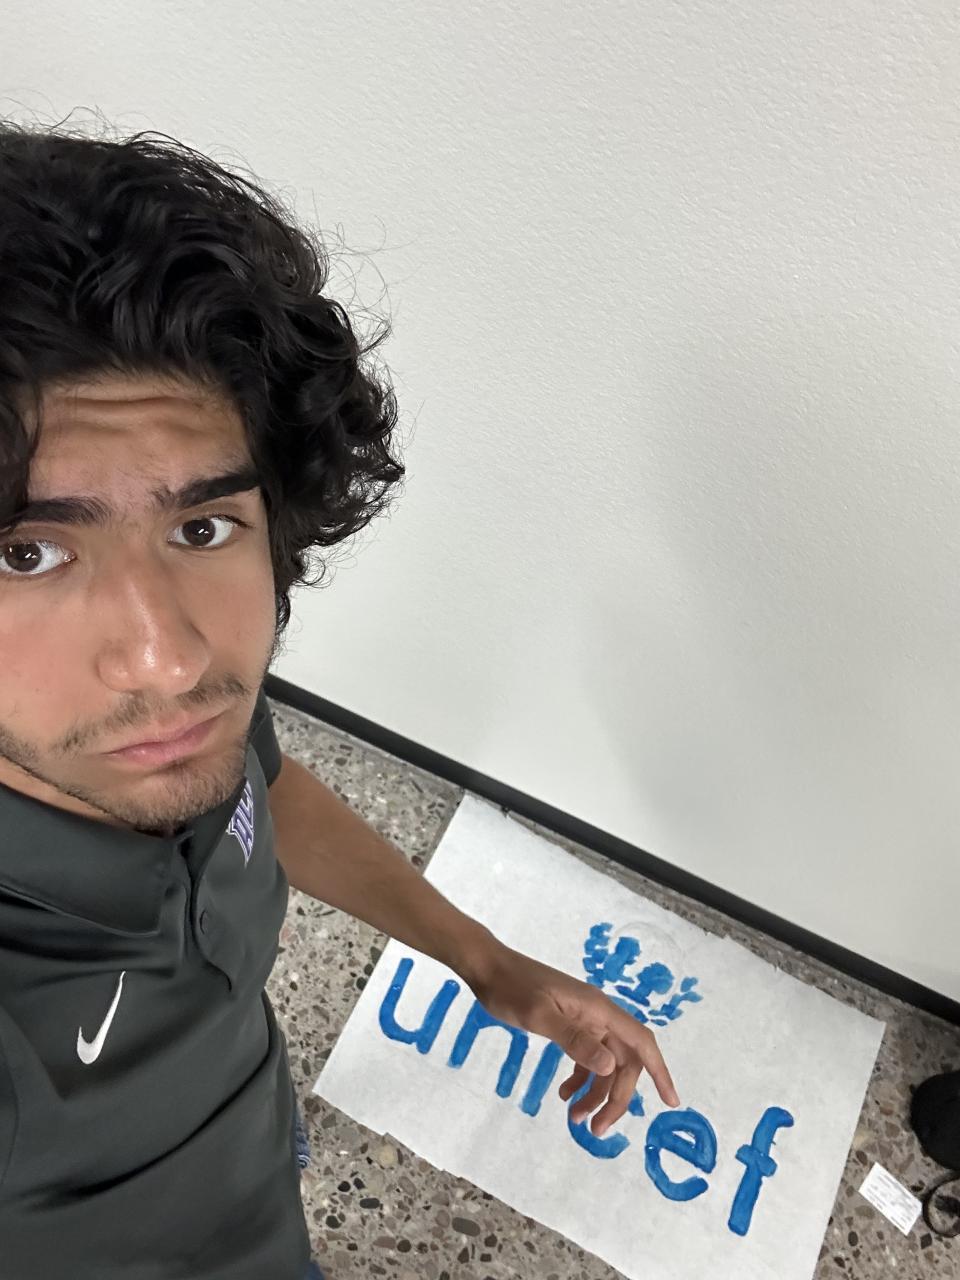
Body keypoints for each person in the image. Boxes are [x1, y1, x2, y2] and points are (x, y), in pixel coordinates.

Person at [0, 117, 679, 1279]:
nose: (168, 659)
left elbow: (262, 790)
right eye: (27, 553)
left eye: (201, 527)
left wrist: (482, 959)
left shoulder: (164, 735)